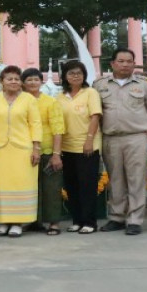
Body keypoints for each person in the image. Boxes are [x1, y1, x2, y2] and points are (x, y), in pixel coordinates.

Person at [93, 48, 147, 235]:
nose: (125, 64)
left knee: (136, 179)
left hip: (136, 137)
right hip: (110, 138)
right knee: (115, 180)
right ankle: (116, 218)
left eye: (129, 61)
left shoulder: (145, 84)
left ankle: (134, 220)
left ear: (134, 63)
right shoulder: (99, 85)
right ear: (112, 63)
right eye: (121, 61)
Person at [0, 65, 42, 238]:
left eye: (17, 79)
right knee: (0, 185)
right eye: (9, 78)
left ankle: (18, 222)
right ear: (2, 82)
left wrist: (36, 148)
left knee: (22, 184)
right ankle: (3, 222)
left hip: (23, 149)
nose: (13, 81)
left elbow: (35, 124)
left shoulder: (28, 99)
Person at [56, 60, 103, 234]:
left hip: (87, 146)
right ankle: (76, 220)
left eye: (79, 73)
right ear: (65, 76)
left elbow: (95, 116)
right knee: (71, 185)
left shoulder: (90, 93)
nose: (75, 76)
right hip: (67, 147)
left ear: (84, 75)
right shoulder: (60, 96)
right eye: (71, 73)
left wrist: (89, 139)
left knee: (87, 185)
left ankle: (89, 222)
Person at [21, 68, 65, 235]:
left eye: (36, 80)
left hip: (47, 150)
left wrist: (56, 154)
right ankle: (33, 221)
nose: (33, 83)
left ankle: (53, 223)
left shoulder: (50, 102)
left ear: (41, 82)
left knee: (51, 188)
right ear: (23, 83)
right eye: (29, 80)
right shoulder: (20, 101)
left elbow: (58, 128)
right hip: (25, 151)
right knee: (30, 188)